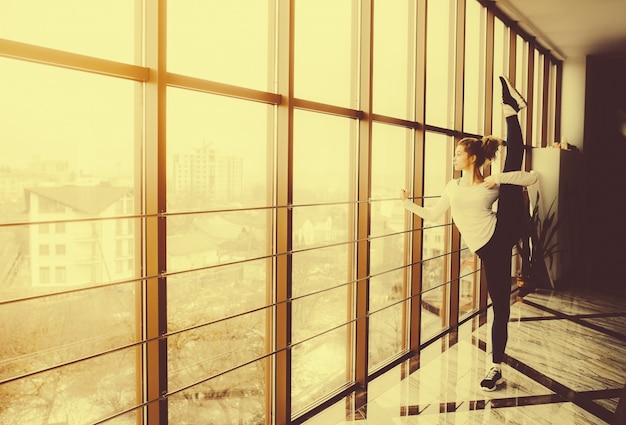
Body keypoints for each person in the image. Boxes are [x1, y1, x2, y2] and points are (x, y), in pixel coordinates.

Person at [401, 76, 538, 391]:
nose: (453, 158)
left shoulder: (492, 183)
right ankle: (512, 110)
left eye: (457, 154)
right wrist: (407, 203)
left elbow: (531, 178)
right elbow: (435, 214)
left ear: (472, 158)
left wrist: (499, 178)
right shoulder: (452, 186)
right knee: (499, 304)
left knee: (499, 307)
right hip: (488, 248)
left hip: (501, 232)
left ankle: (494, 367)